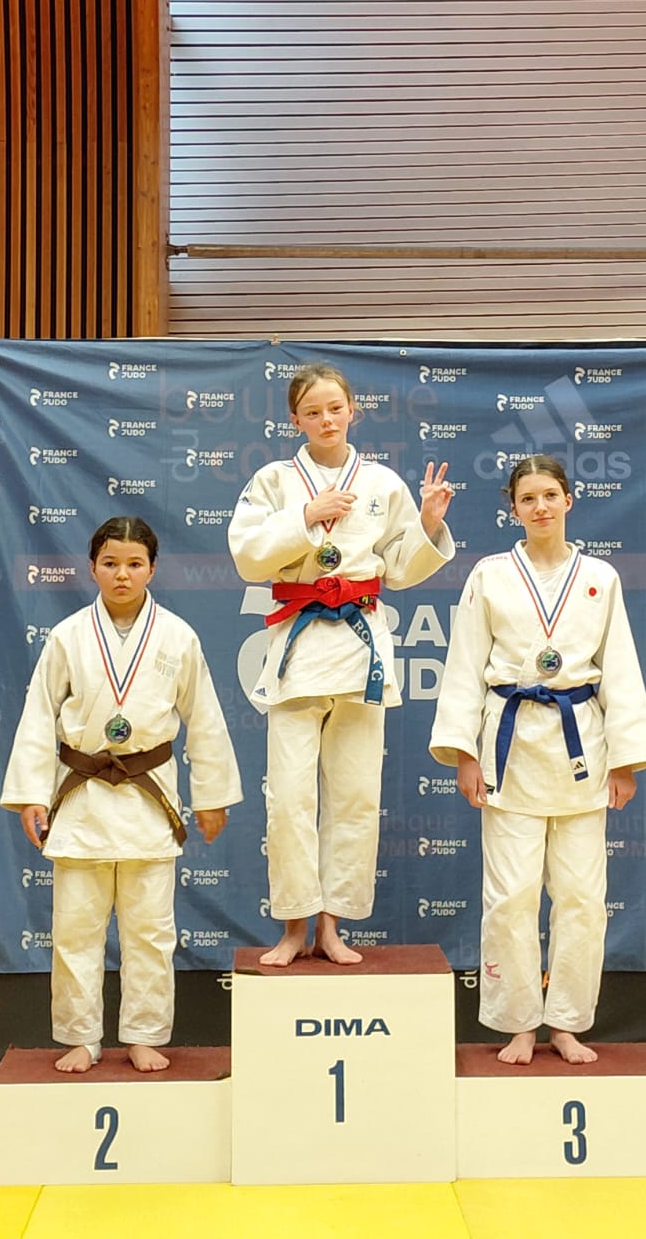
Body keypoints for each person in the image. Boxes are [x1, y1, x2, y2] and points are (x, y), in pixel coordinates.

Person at [430, 455, 646, 1064]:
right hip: (508, 748)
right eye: (528, 498)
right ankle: (519, 1022)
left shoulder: (600, 576)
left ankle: (567, 1022)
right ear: (513, 509)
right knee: (511, 896)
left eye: (550, 495)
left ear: (568, 501)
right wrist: (464, 754)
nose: (540, 507)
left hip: (581, 746)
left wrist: (626, 759)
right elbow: (464, 666)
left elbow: (620, 669)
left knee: (582, 897)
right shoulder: (489, 575)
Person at [229, 362, 455, 966]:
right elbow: (248, 556)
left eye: (335, 408)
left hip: (360, 648)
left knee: (354, 796)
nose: (326, 420)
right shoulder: (274, 480)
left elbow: (399, 569)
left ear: (353, 410)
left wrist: (428, 523)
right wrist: (306, 516)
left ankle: (331, 925)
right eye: (313, 411)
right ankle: (293, 927)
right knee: (289, 800)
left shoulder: (382, 482)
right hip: (298, 650)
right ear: (294, 420)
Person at [1, 516, 242, 1073]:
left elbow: (204, 718)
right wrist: (31, 795)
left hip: (146, 800)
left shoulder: (178, 637)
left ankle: (144, 1033)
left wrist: (211, 796)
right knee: (75, 931)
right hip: (82, 798)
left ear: (152, 569)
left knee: (150, 933)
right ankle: (81, 1036)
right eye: (110, 563)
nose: (122, 574)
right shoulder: (67, 636)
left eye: (134, 564)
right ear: (92, 568)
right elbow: (38, 717)